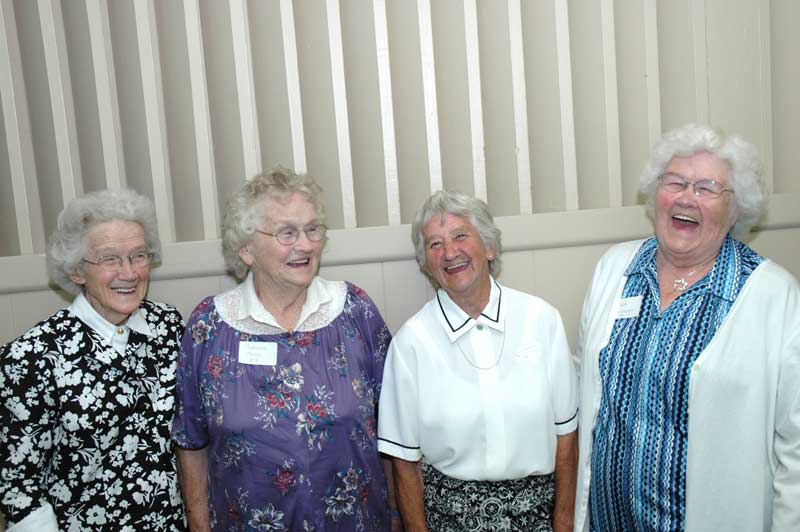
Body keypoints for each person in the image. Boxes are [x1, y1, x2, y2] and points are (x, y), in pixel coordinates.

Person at [574, 124, 800, 532]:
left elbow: (795, 444)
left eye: (706, 188)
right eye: (675, 182)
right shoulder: (615, 270)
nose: (685, 197)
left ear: (736, 211)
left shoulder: (773, 296)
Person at [172, 168, 396, 531]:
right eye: (286, 233)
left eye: (312, 229)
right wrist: (198, 524)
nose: (305, 245)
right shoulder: (209, 327)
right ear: (246, 249)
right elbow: (191, 440)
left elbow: (394, 427)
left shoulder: (354, 310)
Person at [378, 190, 579, 532]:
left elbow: (567, 437)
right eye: (434, 244)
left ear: (489, 247)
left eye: (460, 236)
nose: (449, 252)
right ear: (426, 263)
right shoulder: (411, 343)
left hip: (537, 518)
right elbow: (404, 464)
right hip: (450, 521)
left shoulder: (540, 320)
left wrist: (563, 523)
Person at [0, 189, 185, 531]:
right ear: (76, 272)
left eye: (138, 256)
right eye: (110, 259)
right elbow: (19, 491)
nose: (128, 273)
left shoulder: (168, 327)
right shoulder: (31, 357)